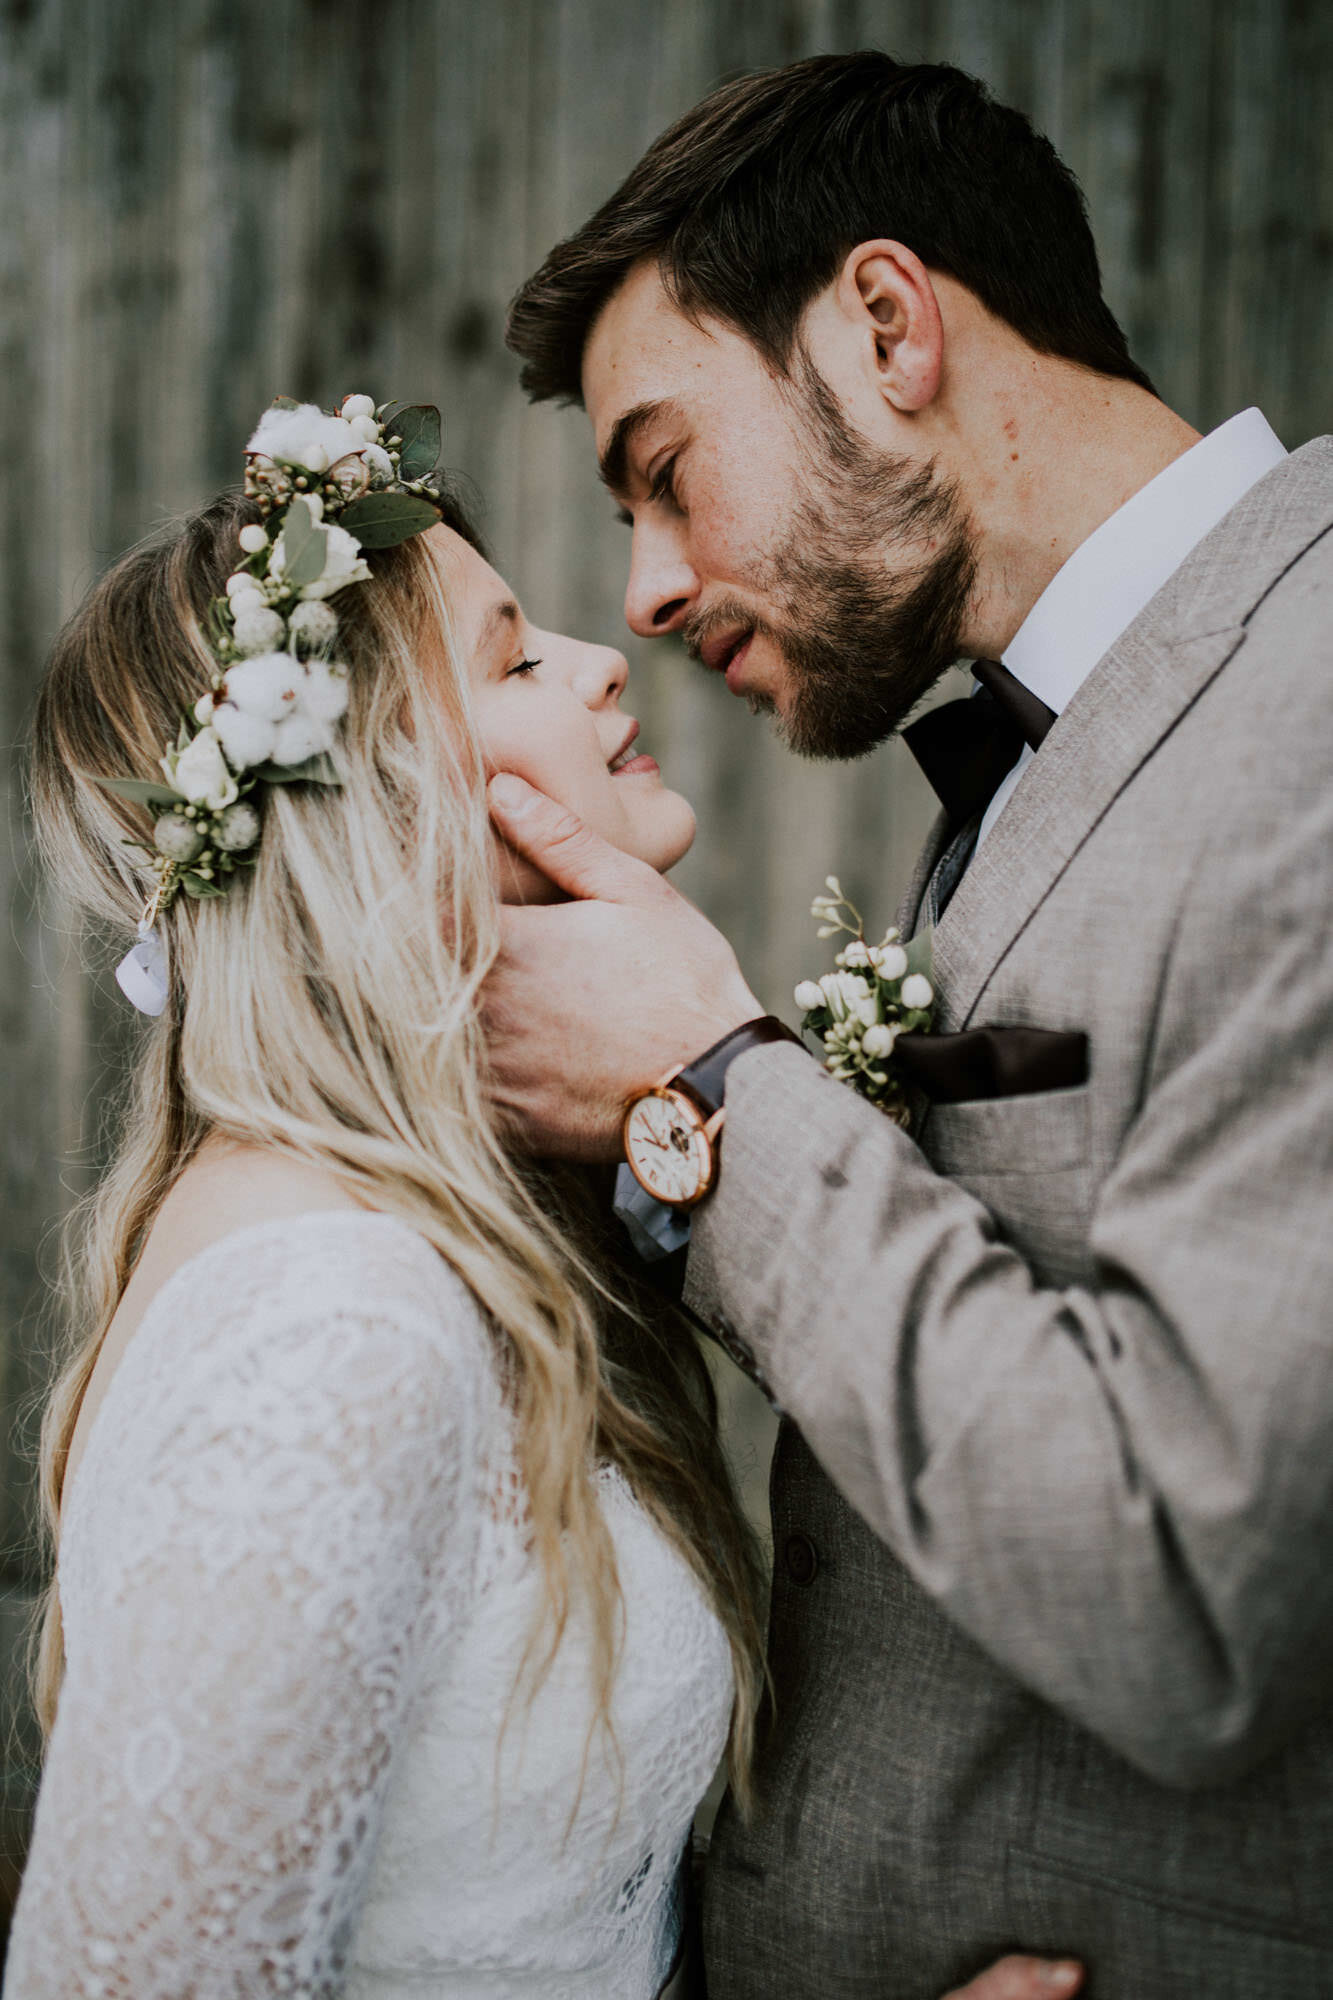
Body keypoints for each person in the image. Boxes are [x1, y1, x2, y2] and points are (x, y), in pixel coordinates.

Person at [5, 394, 1078, 2000]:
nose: (597, 659)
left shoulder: (435, 1245)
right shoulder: (326, 1317)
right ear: (372, 805)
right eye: (511, 660)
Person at [488, 50, 1333, 2000]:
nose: (647, 587)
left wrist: (716, 1087)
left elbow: (1195, 1592)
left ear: (884, 326)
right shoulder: (1060, 739)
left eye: (664, 467)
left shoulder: (1306, 703)